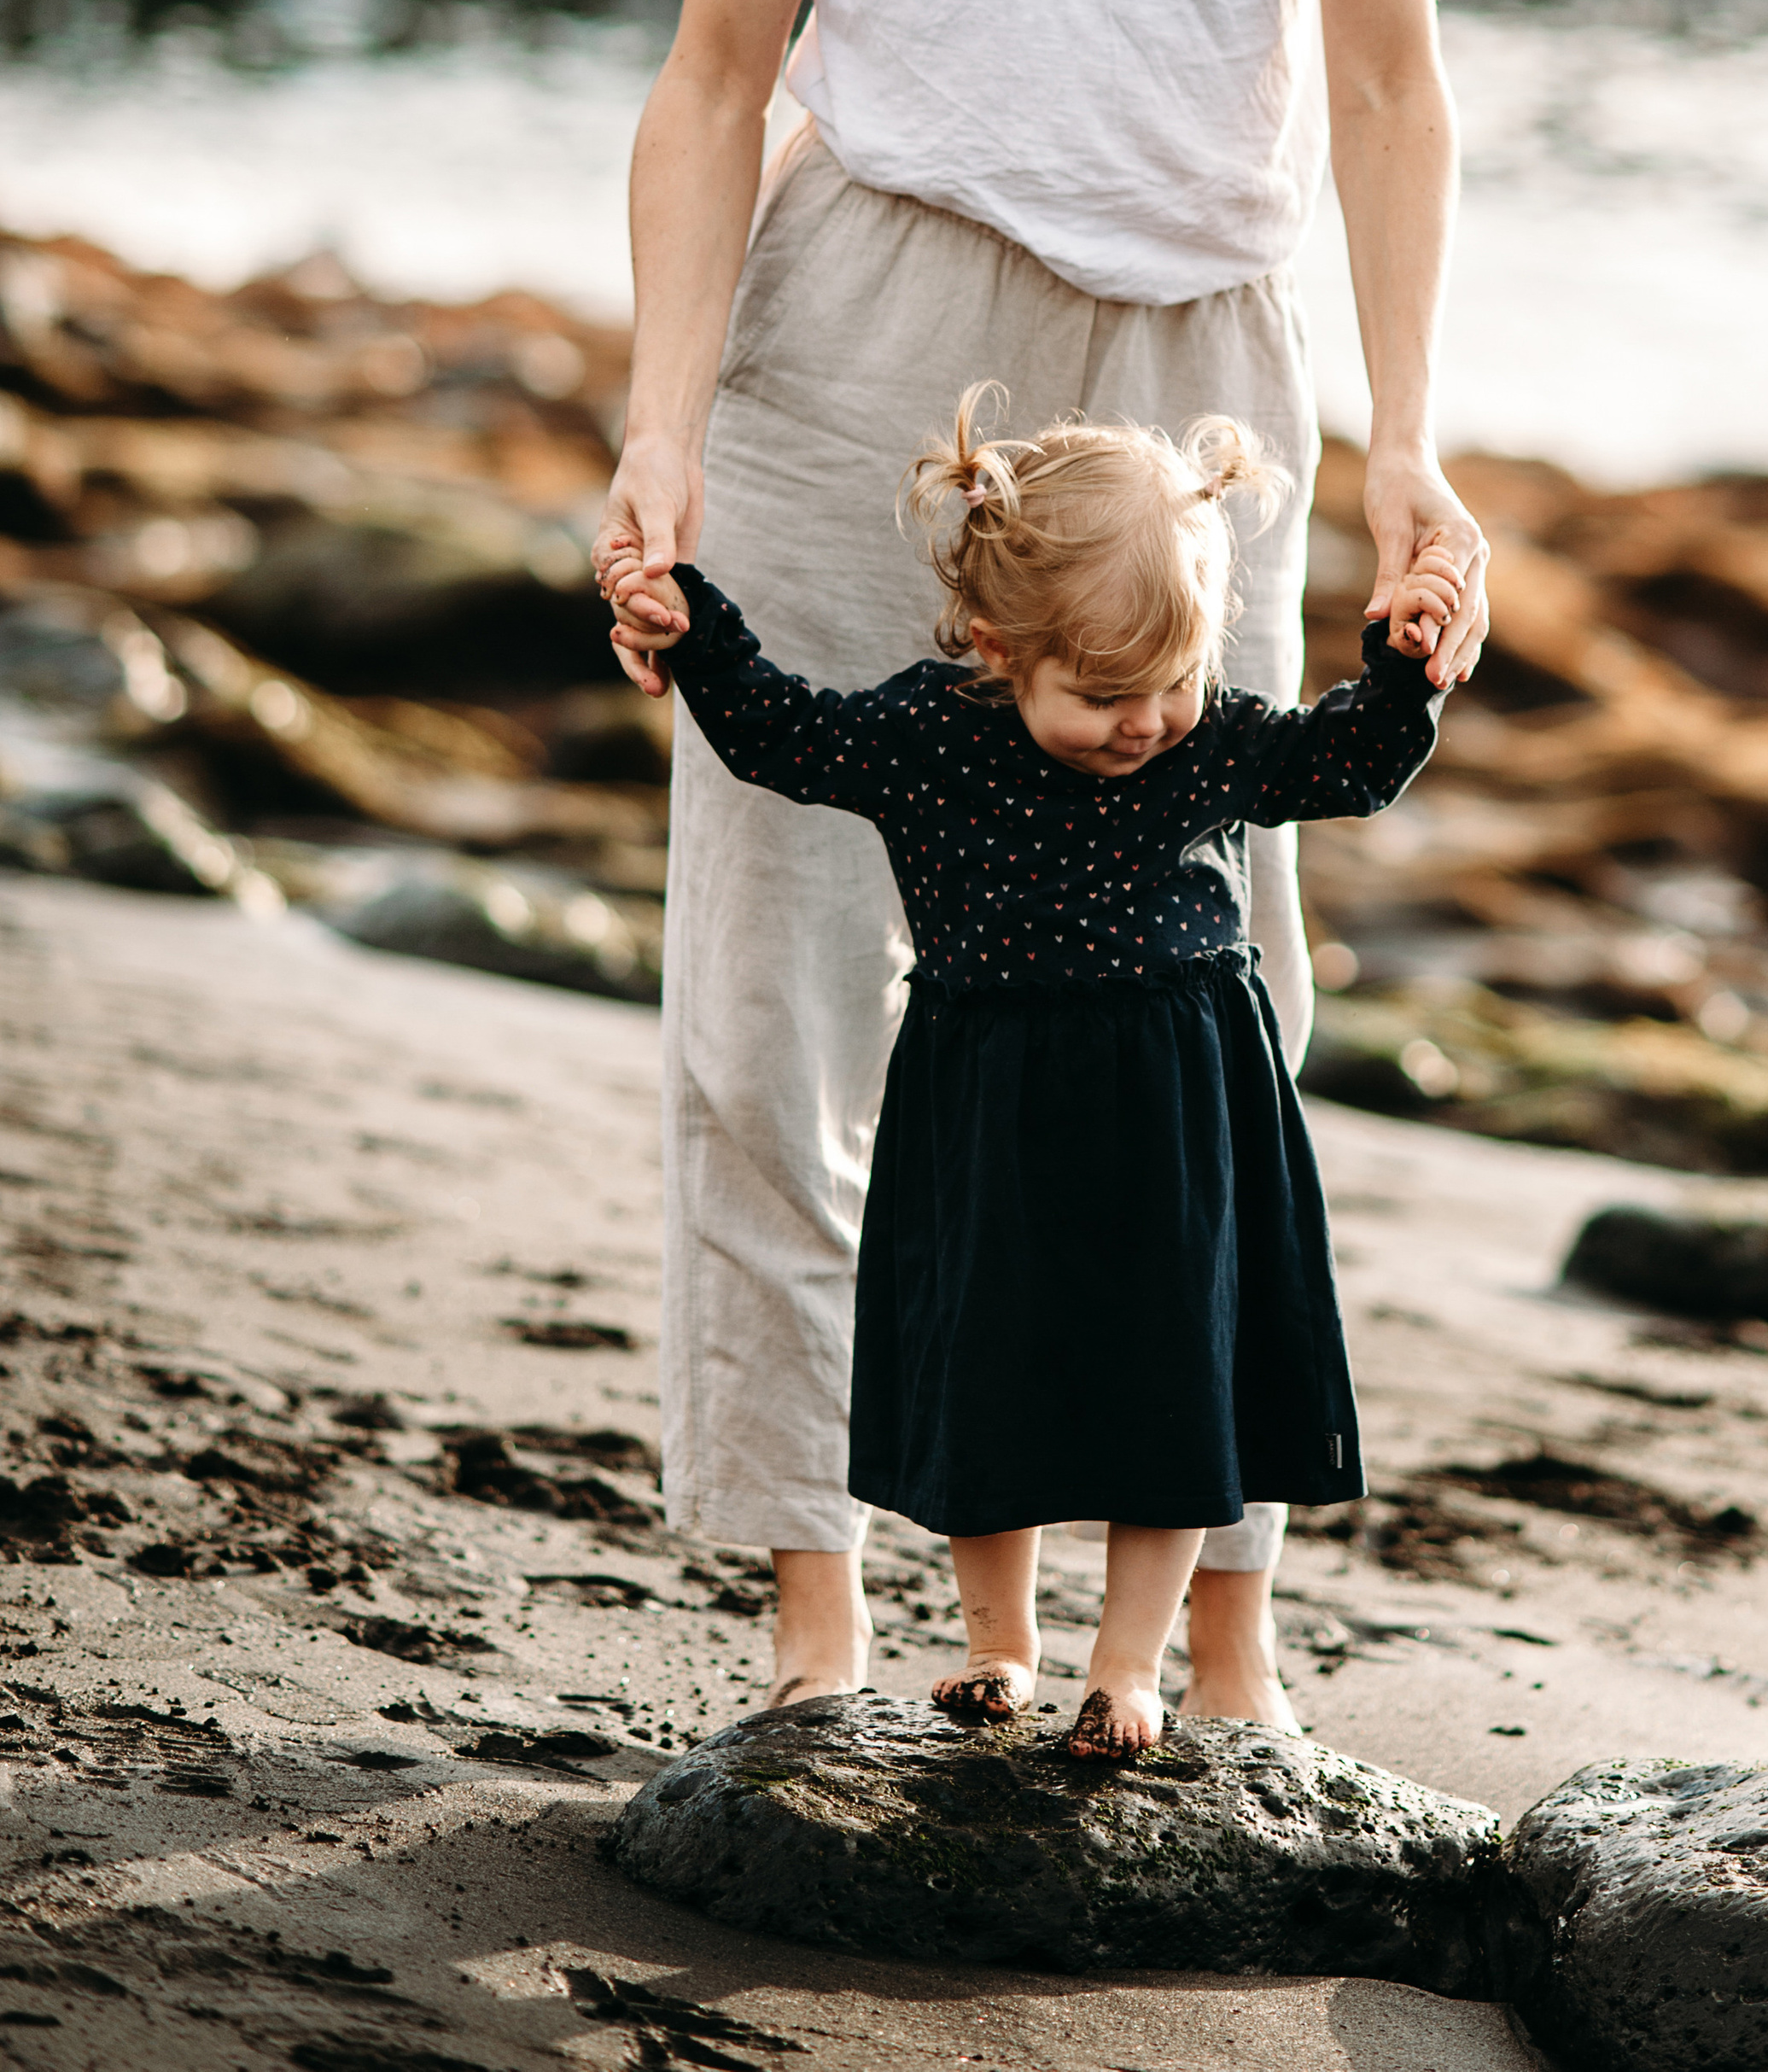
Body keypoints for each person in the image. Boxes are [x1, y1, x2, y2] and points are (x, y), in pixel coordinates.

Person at [591, 0, 1491, 1725]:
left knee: (1221, 991)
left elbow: (1385, 72)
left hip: (1190, 361)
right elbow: (720, 63)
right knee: (785, 968)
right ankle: (804, 1592)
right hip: (870, 332)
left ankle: (1214, 1607)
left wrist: (1410, 454)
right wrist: (657, 425)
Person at [605, 393, 1458, 1752]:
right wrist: (691, 624)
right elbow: (783, 734)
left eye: (1174, 683)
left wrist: (1408, 665)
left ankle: (1128, 1667)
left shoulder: (1212, 735)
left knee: (1177, 1392)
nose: (1147, 724)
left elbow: (1347, 764)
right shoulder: (932, 737)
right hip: (985, 1112)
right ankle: (999, 1646)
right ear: (1000, 650)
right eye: (1106, 695)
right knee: (985, 1375)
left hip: (1179, 1113)